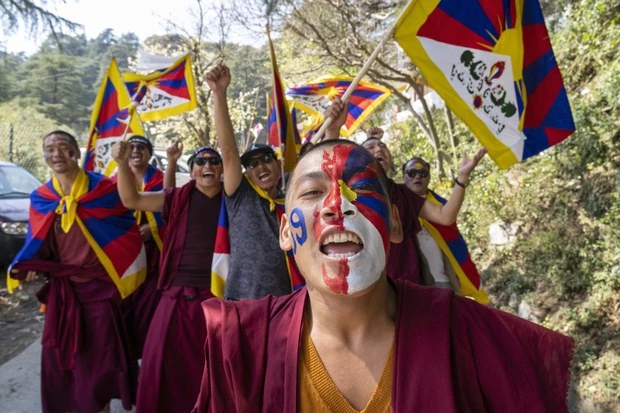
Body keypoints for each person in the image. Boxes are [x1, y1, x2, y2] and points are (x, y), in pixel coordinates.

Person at [193, 139, 574, 412]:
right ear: (286, 232)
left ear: (394, 222)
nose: (336, 205)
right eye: (312, 192)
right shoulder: (238, 345)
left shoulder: (468, 333)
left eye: (360, 189)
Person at [8, 130, 146, 413]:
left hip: (100, 288)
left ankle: (101, 408)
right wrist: (34, 265)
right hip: (65, 291)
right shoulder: (42, 197)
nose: (56, 154)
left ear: (77, 153)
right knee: (62, 360)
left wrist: (122, 164)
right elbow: (38, 240)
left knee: (101, 363)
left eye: (63, 147)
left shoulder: (104, 190)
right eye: (49, 148)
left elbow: (125, 225)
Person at [112, 140, 224, 413]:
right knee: (162, 362)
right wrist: (120, 164)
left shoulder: (234, 198)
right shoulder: (177, 197)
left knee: (215, 367)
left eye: (214, 161)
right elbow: (132, 200)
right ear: (193, 170)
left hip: (220, 294)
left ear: (223, 169)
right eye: (201, 161)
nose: (207, 165)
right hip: (178, 292)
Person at [207, 63, 297, 300]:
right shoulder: (241, 195)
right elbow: (228, 152)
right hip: (242, 302)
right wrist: (219, 93)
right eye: (252, 164)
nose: (261, 166)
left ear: (278, 165)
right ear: (246, 172)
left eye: (267, 159)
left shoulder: (292, 199)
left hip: (286, 302)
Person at [403, 156, 489, 302]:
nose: (417, 176)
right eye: (411, 173)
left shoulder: (439, 205)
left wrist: (463, 177)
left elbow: (449, 224)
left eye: (422, 173)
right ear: (403, 177)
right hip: (409, 283)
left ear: (429, 177)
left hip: (443, 281)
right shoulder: (395, 203)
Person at [113, 134, 167, 358]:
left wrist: (152, 229)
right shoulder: (115, 180)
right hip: (126, 255)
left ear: (149, 154)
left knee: (150, 305)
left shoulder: (161, 179)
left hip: (155, 254)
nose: (135, 151)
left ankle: (151, 350)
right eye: (131, 147)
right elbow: (110, 217)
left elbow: (172, 212)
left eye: (141, 148)